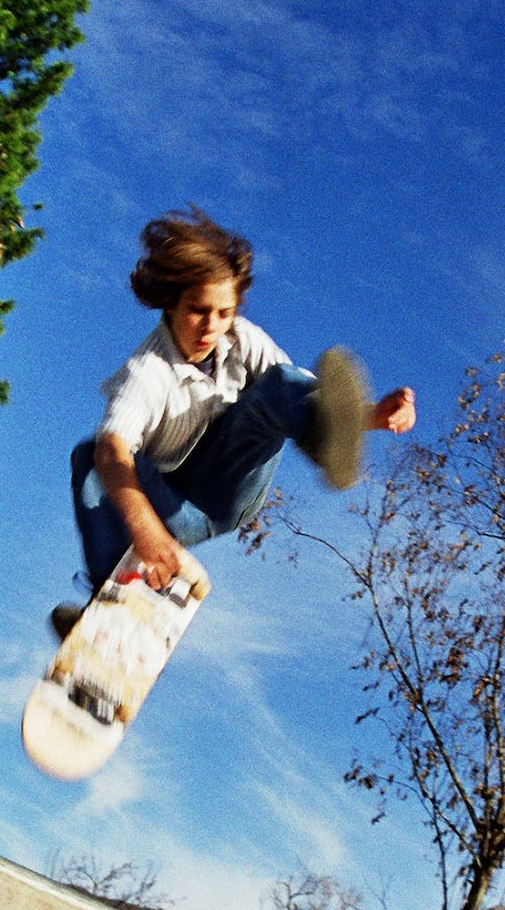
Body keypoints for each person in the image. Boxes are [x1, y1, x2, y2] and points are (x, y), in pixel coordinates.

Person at [54, 207, 416, 635]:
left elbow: (300, 394)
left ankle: (322, 440)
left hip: (227, 491)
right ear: (171, 303)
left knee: (281, 381)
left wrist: (372, 416)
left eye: (224, 313)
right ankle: (106, 600)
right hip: (168, 506)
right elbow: (112, 450)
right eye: (198, 310)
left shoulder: (241, 337)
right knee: (91, 457)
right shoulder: (146, 373)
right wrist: (145, 528)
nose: (212, 327)